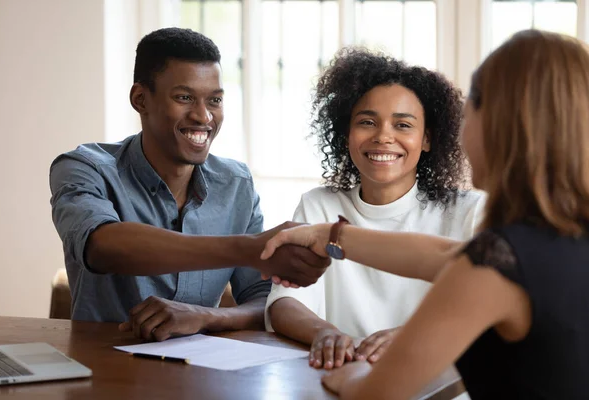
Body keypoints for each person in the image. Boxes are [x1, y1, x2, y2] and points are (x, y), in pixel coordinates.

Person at [261, 30, 589, 399]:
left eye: (470, 114)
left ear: (503, 125)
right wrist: (328, 236)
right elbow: (444, 256)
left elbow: (377, 393)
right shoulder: (559, 240)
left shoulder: (497, 263)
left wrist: (350, 374)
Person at [49, 27, 329, 341]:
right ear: (140, 99)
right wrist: (248, 248)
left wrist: (204, 316)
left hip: (200, 376)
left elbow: (263, 299)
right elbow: (101, 246)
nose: (203, 116)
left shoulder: (237, 185)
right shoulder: (84, 167)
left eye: (215, 100)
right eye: (184, 98)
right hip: (103, 371)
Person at [265, 48, 485, 370]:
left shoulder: (470, 212)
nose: (383, 137)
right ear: (346, 134)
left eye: (403, 125)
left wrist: (416, 335)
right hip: (339, 377)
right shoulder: (319, 205)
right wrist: (324, 333)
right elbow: (284, 302)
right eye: (367, 122)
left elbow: (486, 307)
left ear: (427, 139)